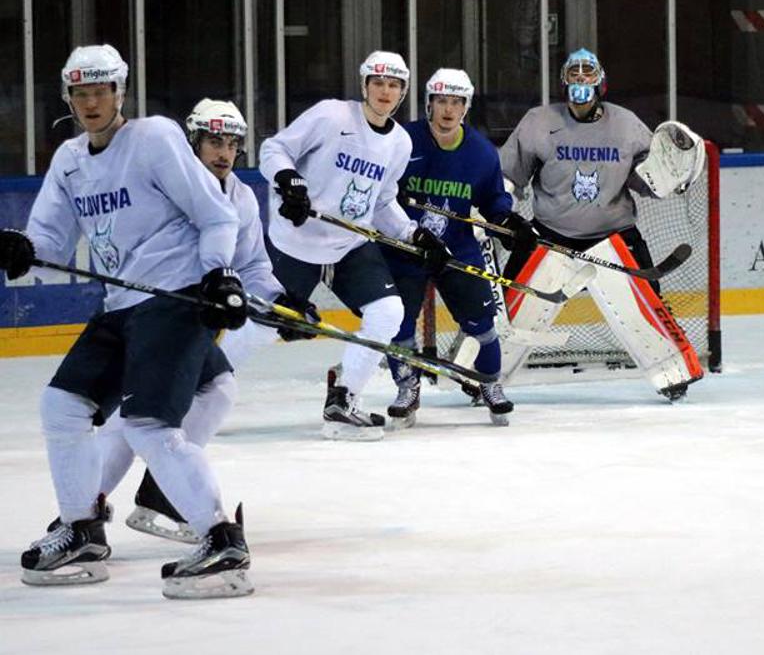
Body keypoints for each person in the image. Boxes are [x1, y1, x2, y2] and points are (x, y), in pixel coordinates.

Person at [0, 45, 253, 598]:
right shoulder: (69, 159)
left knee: (147, 426)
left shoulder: (155, 139)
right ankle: (81, 528)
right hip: (120, 305)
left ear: (120, 92)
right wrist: (21, 247)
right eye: (80, 94)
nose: (91, 103)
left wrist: (220, 276)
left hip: (174, 295)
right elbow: (51, 238)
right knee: (60, 405)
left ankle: (222, 540)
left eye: (101, 92)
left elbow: (216, 214)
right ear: (69, 97)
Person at [98, 99, 319, 542]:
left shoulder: (239, 197)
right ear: (192, 142)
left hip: (184, 323)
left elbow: (252, 265)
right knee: (152, 412)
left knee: (191, 398)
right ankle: (93, 510)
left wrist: (282, 304)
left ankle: (109, 505)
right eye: (214, 141)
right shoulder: (164, 189)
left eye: (232, 144)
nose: (223, 152)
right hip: (144, 316)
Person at [257, 50, 451, 441]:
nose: (385, 91)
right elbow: (273, 149)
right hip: (297, 239)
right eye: (378, 83)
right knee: (256, 328)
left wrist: (413, 233)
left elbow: (380, 202)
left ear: (403, 92)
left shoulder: (397, 142)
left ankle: (343, 401)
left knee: (388, 312)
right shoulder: (332, 115)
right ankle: (196, 391)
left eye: (394, 85)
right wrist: (289, 181)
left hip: (349, 242)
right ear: (364, 85)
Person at [498, 48, 706, 401]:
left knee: (645, 308)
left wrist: (673, 173)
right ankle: (485, 375)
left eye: (587, 74)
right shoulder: (538, 122)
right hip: (550, 236)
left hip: (615, 235)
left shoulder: (626, 125)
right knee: (510, 310)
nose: (581, 80)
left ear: (601, 83)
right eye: (574, 74)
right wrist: (500, 212)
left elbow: (649, 181)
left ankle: (673, 373)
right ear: (563, 83)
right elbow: (507, 175)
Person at [382, 68, 536, 428]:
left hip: (455, 248)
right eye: (441, 102)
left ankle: (490, 384)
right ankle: (407, 387)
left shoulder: (481, 153)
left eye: (456, 102)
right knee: (398, 323)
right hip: (407, 245)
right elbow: (380, 188)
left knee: (483, 324)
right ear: (429, 104)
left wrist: (509, 223)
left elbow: (495, 201)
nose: (448, 110)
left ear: (465, 107)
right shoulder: (403, 141)